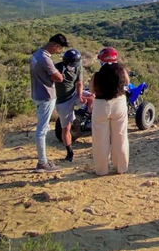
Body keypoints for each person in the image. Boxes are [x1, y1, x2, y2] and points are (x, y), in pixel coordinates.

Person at [30, 33, 68, 172]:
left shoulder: (36, 55)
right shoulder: (45, 59)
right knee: (42, 130)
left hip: (37, 94)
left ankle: (43, 160)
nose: (59, 51)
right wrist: (60, 74)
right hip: (46, 95)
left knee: (42, 128)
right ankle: (42, 163)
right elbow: (58, 78)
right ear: (55, 45)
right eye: (59, 48)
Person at [90, 47, 130, 176]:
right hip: (119, 103)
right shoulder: (121, 71)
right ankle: (121, 168)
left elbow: (92, 90)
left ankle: (101, 170)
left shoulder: (97, 75)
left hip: (101, 105)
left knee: (100, 140)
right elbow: (127, 82)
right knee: (120, 136)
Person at [54, 49, 88, 162]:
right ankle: (69, 151)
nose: (73, 67)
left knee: (93, 97)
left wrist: (80, 95)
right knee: (66, 129)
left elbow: (79, 83)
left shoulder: (77, 67)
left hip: (74, 94)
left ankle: (87, 119)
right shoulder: (56, 68)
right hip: (63, 101)